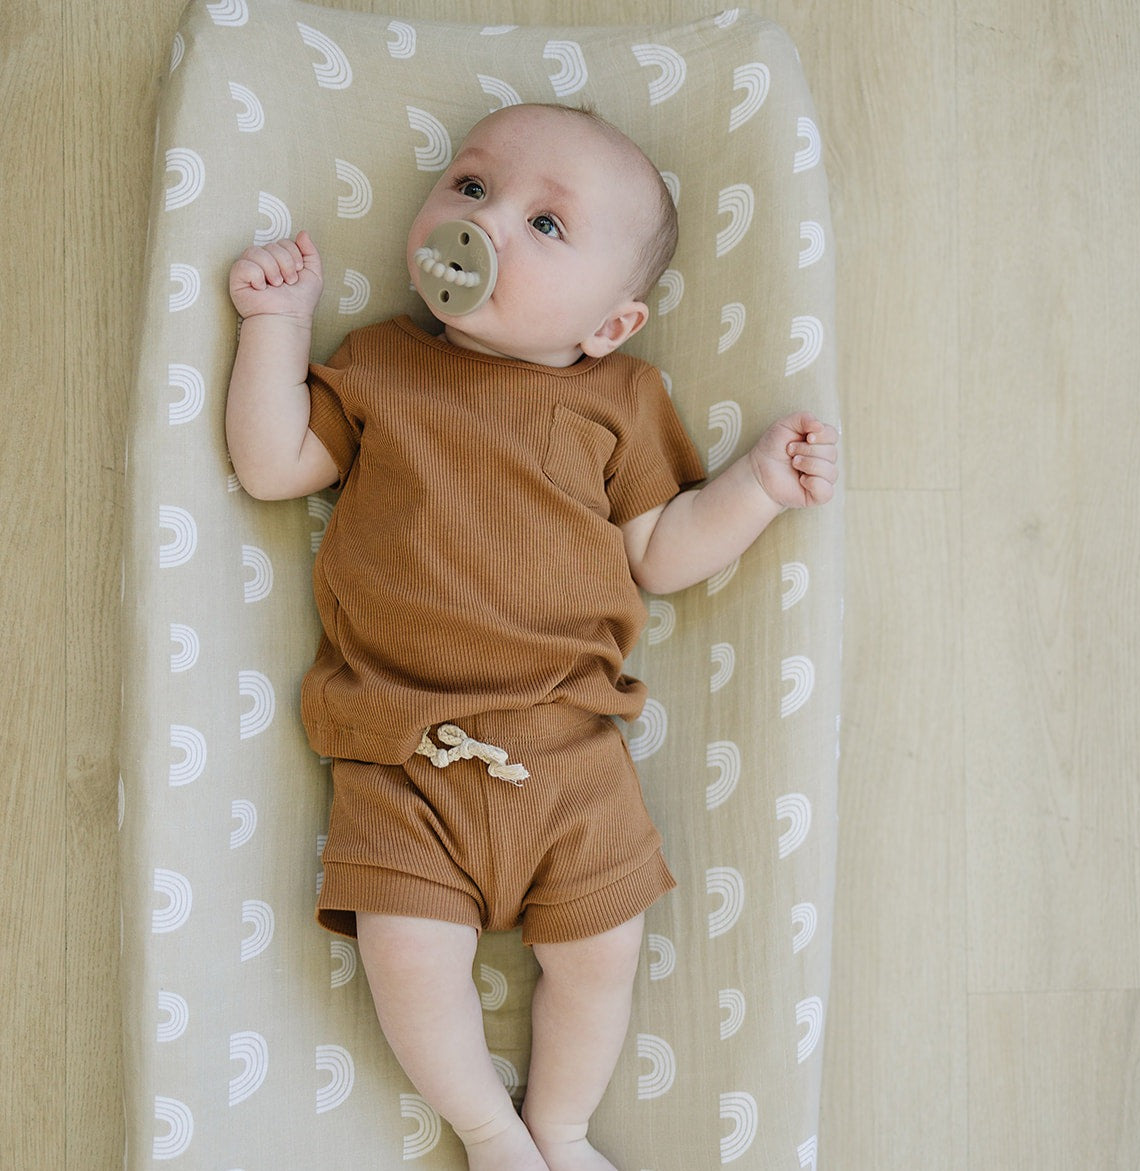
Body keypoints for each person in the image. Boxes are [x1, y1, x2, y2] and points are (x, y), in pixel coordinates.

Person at [226, 102, 838, 1171]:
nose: (486, 224)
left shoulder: (620, 399)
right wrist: (276, 324)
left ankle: (561, 1123)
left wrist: (755, 487)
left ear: (609, 325)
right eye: (470, 188)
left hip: (569, 749)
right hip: (403, 749)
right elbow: (273, 465)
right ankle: (490, 1132)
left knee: (601, 952)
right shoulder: (379, 365)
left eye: (545, 224)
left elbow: (660, 552)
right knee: (405, 953)